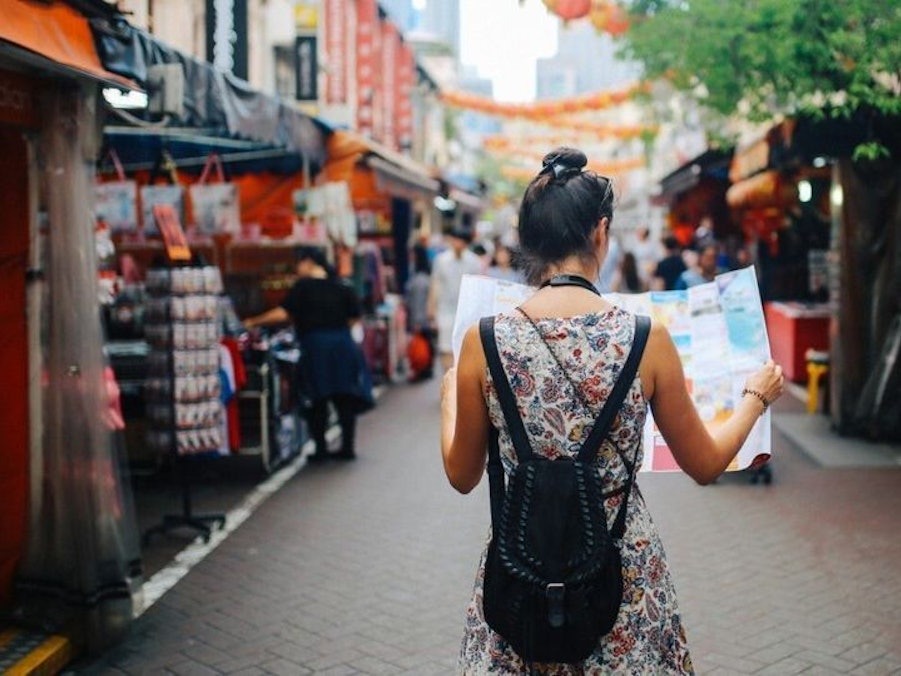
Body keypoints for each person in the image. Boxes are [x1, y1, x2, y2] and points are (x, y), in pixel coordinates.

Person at [440, 147, 784, 673]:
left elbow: (462, 475)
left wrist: (449, 402)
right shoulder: (646, 338)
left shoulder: (483, 341)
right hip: (622, 579)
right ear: (600, 233)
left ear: (529, 241)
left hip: (520, 573)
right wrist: (755, 397)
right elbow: (706, 463)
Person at [243, 246, 371, 462]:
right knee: (344, 398)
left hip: (316, 347)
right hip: (342, 346)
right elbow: (355, 317)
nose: (297, 268)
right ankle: (347, 448)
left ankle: (321, 450)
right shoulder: (341, 285)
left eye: (299, 263)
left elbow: (283, 312)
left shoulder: (303, 287)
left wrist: (252, 321)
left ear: (309, 262)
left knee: (316, 398)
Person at [429, 226, 482, 373]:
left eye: (462, 241)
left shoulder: (474, 261)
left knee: (464, 347)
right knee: (445, 346)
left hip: (467, 311)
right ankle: (449, 379)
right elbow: (435, 284)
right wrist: (431, 308)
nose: (458, 243)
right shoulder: (441, 260)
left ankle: (460, 381)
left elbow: (478, 286)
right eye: (455, 240)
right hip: (445, 309)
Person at [405, 243, 435, 381]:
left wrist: (417, 321)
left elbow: (418, 302)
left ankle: (422, 370)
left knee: (422, 347)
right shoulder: (423, 276)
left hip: (420, 319)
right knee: (426, 345)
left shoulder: (419, 279)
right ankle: (424, 370)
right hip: (424, 319)